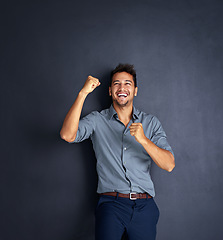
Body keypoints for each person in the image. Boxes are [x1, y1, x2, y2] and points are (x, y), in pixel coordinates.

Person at [60, 63, 175, 240]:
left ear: (135, 90)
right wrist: (83, 93)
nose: (122, 88)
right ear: (110, 91)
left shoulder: (150, 122)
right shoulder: (97, 120)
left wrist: (143, 140)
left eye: (127, 83)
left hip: (144, 207)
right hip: (111, 205)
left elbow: (168, 165)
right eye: (116, 84)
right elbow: (67, 135)